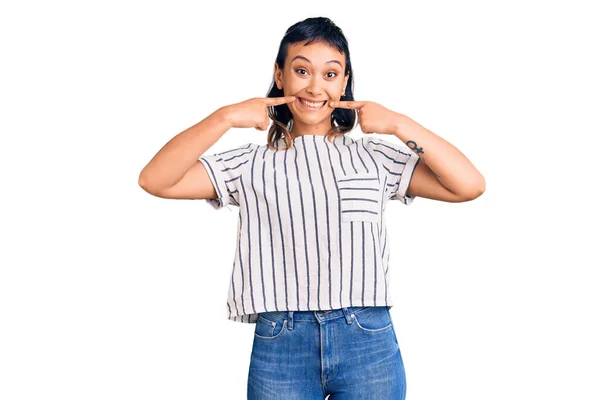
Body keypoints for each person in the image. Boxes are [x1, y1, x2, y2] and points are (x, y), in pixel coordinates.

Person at [139, 16, 484, 400]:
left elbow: (468, 185)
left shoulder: (373, 159)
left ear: (345, 82)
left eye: (330, 74)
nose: (315, 86)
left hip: (367, 339)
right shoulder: (249, 164)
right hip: (281, 342)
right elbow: (155, 180)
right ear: (280, 75)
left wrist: (400, 124)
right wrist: (225, 117)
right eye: (301, 70)